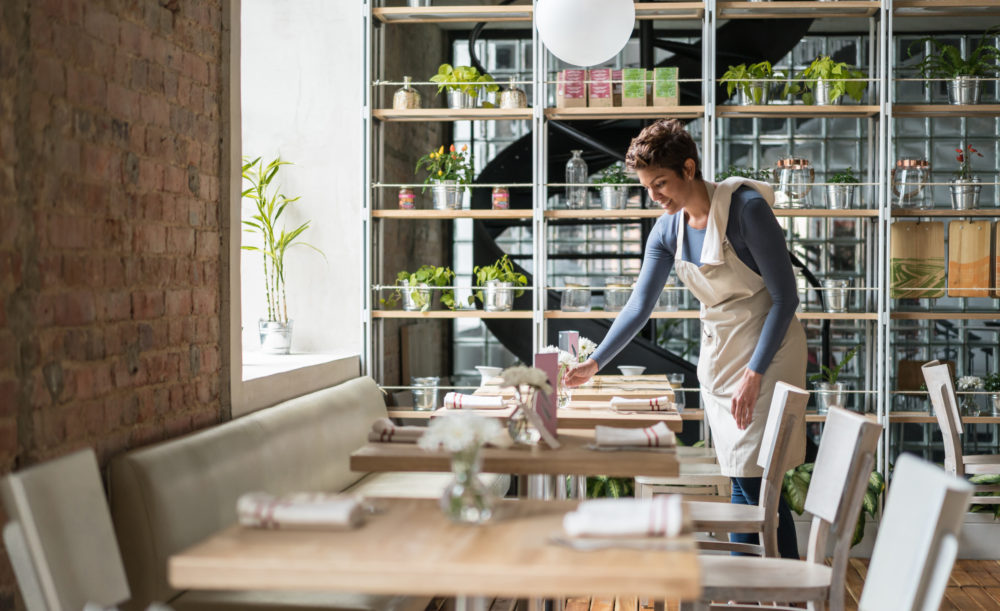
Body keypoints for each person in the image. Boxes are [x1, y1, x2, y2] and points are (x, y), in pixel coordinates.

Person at [563, 118, 806, 559]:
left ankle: (763, 588)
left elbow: (786, 298)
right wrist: (593, 363)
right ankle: (761, 590)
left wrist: (754, 374)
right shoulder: (667, 229)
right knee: (744, 478)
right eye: (646, 187)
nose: (654, 196)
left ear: (689, 169)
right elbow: (639, 307)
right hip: (723, 354)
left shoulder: (746, 211)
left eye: (661, 184)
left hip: (770, 353)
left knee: (754, 478)